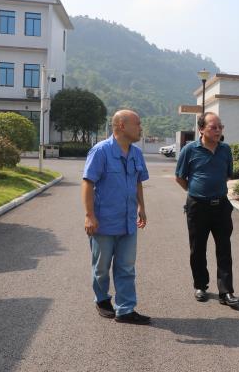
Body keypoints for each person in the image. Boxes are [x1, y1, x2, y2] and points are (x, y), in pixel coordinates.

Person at [81, 109, 151, 325]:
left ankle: (125, 309)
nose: (140, 128)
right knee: (101, 267)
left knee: (126, 267)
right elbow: (88, 183)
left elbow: (138, 181)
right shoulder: (100, 151)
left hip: (128, 222)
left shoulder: (136, 153)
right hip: (104, 222)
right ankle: (102, 299)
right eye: (137, 124)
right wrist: (89, 215)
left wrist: (141, 207)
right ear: (121, 125)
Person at [175, 112, 239, 307]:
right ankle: (200, 286)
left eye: (220, 127)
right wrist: (196, 191)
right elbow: (180, 177)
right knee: (197, 248)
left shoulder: (225, 149)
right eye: (214, 127)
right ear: (201, 129)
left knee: (224, 249)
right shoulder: (189, 150)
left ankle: (226, 291)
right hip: (197, 207)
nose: (218, 130)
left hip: (221, 206)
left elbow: (227, 175)